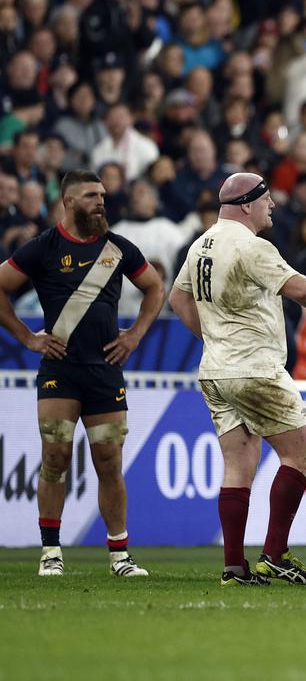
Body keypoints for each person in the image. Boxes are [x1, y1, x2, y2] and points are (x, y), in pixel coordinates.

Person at [169, 172, 306, 586]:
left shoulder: (202, 243)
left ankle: (233, 566)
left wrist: (212, 336)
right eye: (267, 199)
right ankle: (274, 554)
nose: (272, 206)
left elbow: (177, 297)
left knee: (238, 465)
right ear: (247, 204)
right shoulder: (251, 246)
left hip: (215, 370)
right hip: (255, 368)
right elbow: (300, 289)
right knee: (302, 454)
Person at [0, 169, 164, 577]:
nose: (101, 202)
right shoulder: (43, 248)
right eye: (92, 195)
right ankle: (51, 553)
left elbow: (156, 288)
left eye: (103, 195)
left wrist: (136, 335)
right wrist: (26, 337)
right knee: (55, 456)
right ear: (68, 201)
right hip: (60, 370)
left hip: (105, 370)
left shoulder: (118, 248)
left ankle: (120, 556)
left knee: (109, 461)